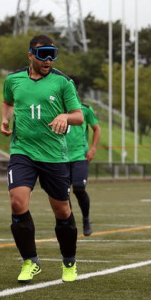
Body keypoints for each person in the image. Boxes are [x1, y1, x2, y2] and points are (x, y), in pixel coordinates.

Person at [0, 35, 84, 284]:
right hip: (22, 151)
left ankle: (69, 261)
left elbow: (79, 115)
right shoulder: (13, 80)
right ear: (30, 55)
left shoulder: (63, 82)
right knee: (17, 202)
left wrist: (65, 117)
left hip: (54, 156)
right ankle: (30, 261)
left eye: (53, 54)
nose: (48, 60)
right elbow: (7, 102)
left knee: (62, 210)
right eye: (43, 54)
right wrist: (5, 118)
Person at [65, 76, 101, 237]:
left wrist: (93, 148)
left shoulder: (85, 109)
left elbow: (97, 129)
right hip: (60, 156)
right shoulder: (57, 106)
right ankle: (68, 222)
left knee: (79, 189)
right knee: (62, 193)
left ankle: (86, 219)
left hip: (80, 155)